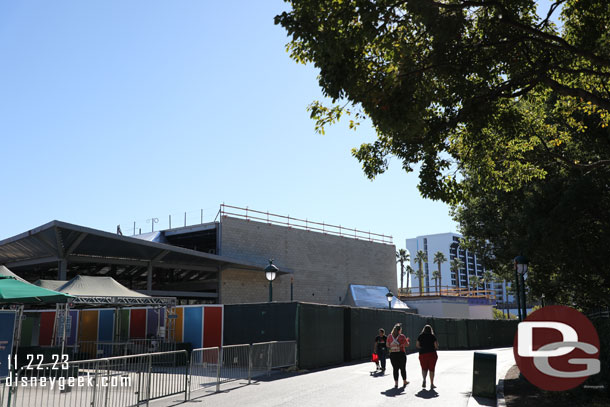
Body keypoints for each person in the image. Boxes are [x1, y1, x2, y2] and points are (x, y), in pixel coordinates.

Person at [386, 323, 410, 388]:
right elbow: (406, 345)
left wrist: (393, 345)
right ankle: (404, 381)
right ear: (400, 330)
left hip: (393, 354)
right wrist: (407, 341)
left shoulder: (389, 336)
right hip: (401, 353)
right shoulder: (402, 336)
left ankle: (396, 384)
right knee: (403, 368)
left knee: (395, 369)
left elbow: (387, 345)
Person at [416, 324, 439, 389]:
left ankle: (424, 380)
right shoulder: (432, 336)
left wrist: (422, 348)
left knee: (424, 368)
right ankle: (432, 384)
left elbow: (417, 345)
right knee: (432, 369)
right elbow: (436, 346)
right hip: (432, 354)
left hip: (423, 354)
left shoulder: (420, 336)